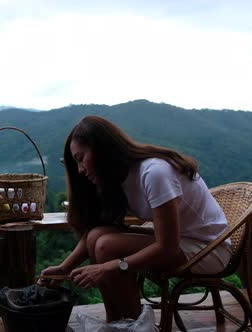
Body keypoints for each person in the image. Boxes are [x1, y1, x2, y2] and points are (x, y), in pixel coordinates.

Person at [38, 115, 232, 322]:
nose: (80, 170)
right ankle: (115, 321)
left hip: (210, 249)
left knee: (107, 246)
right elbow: (98, 229)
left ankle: (133, 324)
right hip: (180, 243)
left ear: (102, 149)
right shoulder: (118, 178)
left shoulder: (155, 173)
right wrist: (64, 268)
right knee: (97, 235)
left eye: (80, 158)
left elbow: (168, 247)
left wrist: (107, 267)